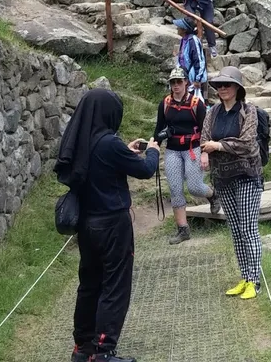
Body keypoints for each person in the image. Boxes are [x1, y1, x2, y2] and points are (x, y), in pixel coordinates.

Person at [54, 89, 160, 362]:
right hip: (113, 224)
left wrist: (124, 150)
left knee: (89, 285)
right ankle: (104, 351)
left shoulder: (82, 141)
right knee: (114, 286)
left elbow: (99, 164)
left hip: (86, 225)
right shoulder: (108, 143)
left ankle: (83, 348)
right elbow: (146, 170)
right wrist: (154, 152)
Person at [200, 66, 269, 301]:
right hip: (222, 178)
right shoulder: (213, 112)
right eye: (219, 85)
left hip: (247, 175)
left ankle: (255, 281)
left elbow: (248, 144)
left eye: (227, 85)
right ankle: (245, 277)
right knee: (236, 229)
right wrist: (207, 151)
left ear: (238, 88)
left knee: (248, 228)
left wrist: (218, 146)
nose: (222, 89)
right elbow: (204, 137)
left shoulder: (249, 111)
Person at [154, 68, 215, 245]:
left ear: (186, 83)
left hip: (193, 148)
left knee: (195, 187)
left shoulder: (197, 103)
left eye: (179, 82)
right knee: (175, 189)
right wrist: (154, 147)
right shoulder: (165, 103)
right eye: (173, 82)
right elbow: (159, 128)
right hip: (172, 150)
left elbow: (206, 130)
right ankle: (183, 230)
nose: (176, 85)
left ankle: (213, 195)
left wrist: (205, 152)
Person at [174, 18, 207, 101]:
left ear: (184, 30)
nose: (177, 28)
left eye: (179, 27)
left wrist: (197, 79)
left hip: (192, 77)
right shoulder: (184, 40)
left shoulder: (193, 40)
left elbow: (199, 60)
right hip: (184, 74)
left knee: (193, 100)